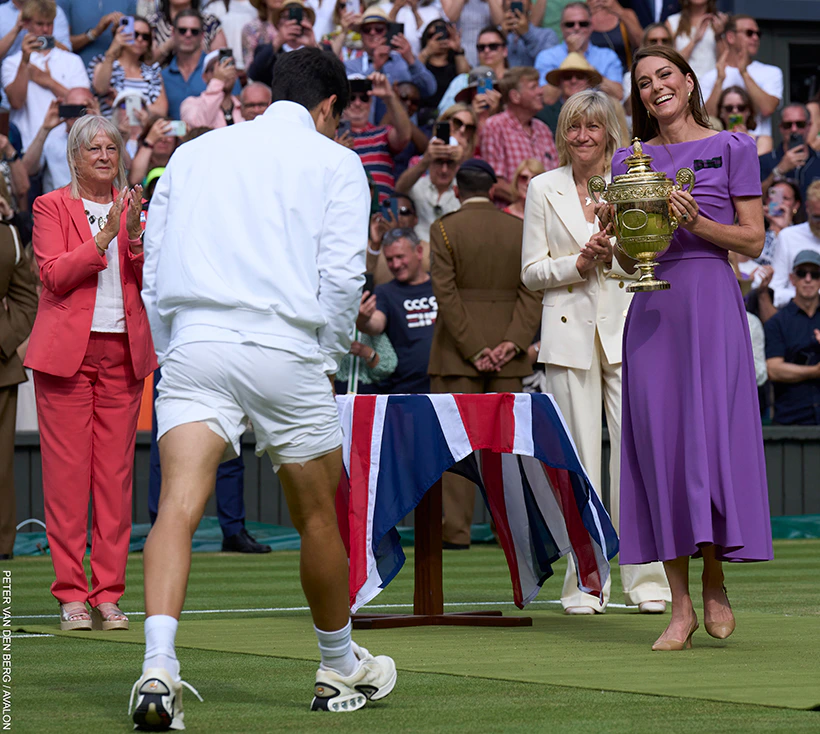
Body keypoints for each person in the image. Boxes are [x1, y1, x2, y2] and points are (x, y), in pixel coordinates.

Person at [130, 48, 396, 727]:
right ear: (330, 108)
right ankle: (337, 665)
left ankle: (158, 665)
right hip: (285, 348)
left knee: (176, 510)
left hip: (195, 343)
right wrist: (327, 355)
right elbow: (340, 279)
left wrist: (173, 348)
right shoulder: (338, 162)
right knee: (315, 516)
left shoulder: (192, 153)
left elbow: (153, 262)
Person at [607, 46, 772, 651]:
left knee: (711, 446)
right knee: (660, 451)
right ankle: (677, 606)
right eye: (644, 83)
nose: (655, 89)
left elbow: (752, 241)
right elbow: (630, 255)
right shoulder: (629, 159)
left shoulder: (732, 147)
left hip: (711, 305)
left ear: (689, 79)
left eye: (664, 76)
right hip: (652, 311)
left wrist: (695, 221)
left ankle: (714, 579)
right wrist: (615, 241)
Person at [521, 89, 670, 615]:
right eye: (573, 127)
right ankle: (585, 581)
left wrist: (617, 256)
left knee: (637, 460)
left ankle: (648, 581)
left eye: (592, 126)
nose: (582, 136)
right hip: (567, 339)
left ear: (610, 130)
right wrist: (577, 264)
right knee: (578, 464)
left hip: (629, 336)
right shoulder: (543, 187)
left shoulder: (633, 181)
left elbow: (649, 261)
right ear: (563, 134)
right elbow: (531, 272)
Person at [25, 115, 156, 631]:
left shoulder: (134, 206)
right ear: (75, 157)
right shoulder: (50, 205)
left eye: (111, 147)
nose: (104, 155)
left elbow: (152, 278)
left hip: (123, 352)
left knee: (114, 481)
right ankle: (70, 595)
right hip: (66, 358)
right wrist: (103, 238)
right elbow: (54, 274)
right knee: (65, 480)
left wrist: (136, 240)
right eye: (92, 148)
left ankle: (107, 595)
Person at [428, 158, 541, 548]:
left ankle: (456, 530)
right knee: (505, 448)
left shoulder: (443, 228)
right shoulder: (520, 229)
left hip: (457, 355)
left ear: (457, 190)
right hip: (509, 355)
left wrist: (475, 349)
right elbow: (532, 290)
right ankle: (508, 529)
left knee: (456, 446)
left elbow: (445, 295)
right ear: (494, 190)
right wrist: (511, 342)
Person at [0, 187, 39, 562]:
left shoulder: (9, 236)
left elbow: (28, 297)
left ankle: (1, 546)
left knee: (1, 464)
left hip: (0, 364)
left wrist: (3, 341)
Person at [1, 0, 90, 151]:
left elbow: (84, 105)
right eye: (39, 24)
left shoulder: (72, 60)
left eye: (49, 24)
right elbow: (16, 102)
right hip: (27, 147)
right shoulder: (12, 62)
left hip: (67, 147)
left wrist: (48, 81)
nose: (45, 30)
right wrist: (24, 62)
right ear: (27, 24)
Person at [357, 228, 438, 394]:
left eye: (400, 257)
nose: (395, 265)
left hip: (445, 384)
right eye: (389, 259)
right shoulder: (386, 292)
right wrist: (364, 320)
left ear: (419, 252)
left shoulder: (441, 286)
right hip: (405, 389)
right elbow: (376, 324)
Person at [700, 15, 781, 155]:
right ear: (731, 37)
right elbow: (706, 119)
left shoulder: (771, 72)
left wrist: (744, 73)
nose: (755, 38)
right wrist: (719, 81)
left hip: (759, 151)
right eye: (749, 33)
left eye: (758, 34)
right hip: (720, 151)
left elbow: (768, 108)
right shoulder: (710, 77)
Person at [479, 66, 557, 204]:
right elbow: (495, 183)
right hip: (510, 218)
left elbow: (557, 177)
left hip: (546, 215)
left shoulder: (543, 129)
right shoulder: (495, 127)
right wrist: (533, 206)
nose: (541, 91)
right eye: (533, 87)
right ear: (515, 96)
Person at [343, 6, 436, 113]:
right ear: (361, 35)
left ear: (387, 32)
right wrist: (375, 67)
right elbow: (353, 98)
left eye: (379, 29)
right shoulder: (350, 65)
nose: (373, 33)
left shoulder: (403, 60)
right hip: (371, 127)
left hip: (403, 128)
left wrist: (411, 61)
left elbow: (429, 90)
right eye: (367, 30)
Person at [764, 250, 820, 425]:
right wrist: (815, 371)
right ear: (792, 278)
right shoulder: (777, 323)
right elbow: (773, 369)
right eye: (802, 273)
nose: (808, 279)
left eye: (815, 274)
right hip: (791, 419)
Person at [535, 3, 623, 105]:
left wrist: (579, 56)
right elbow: (548, 98)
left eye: (583, 24)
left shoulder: (607, 56)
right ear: (562, 27)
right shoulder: (547, 56)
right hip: (559, 116)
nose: (576, 28)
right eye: (570, 24)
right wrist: (572, 55)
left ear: (591, 26)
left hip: (598, 115)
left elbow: (618, 95)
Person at [343, 71, 411, 202]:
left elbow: (405, 136)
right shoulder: (329, 138)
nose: (357, 103)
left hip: (381, 216)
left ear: (370, 102)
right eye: (351, 98)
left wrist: (389, 96)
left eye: (364, 98)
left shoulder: (382, 133)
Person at [89, 15, 169, 118]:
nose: (140, 39)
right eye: (135, 34)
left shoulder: (152, 73)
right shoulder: (103, 63)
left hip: (143, 133)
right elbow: (100, 88)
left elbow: (161, 111)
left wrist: (123, 101)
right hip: (110, 131)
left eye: (145, 37)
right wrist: (112, 51)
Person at [22, 89, 98, 194]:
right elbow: (26, 171)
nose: (76, 114)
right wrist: (45, 129)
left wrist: (98, 122)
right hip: (57, 205)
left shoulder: (105, 143)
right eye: (71, 108)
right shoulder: (51, 141)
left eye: (81, 109)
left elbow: (125, 168)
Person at [395, 121, 461, 241]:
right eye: (439, 162)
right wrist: (425, 159)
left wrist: (463, 158)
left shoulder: (464, 190)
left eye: (450, 163)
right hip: (420, 252)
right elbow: (399, 189)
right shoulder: (417, 186)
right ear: (430, 162)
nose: (444, 170)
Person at [770, 181, 820, 308]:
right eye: (817, 217)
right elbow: (775, 290)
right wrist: (807, 296)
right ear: (807, 208)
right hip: (796, 315)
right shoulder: (788, 237)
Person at [759, 103, 820, 205]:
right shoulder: (764, 161)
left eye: (800, 124)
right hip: (774, 219)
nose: (794, 129)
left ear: (809, 126)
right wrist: (778, 171)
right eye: (788, 125)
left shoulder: (818, 161)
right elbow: (754, 201)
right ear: (780, 128)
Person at [437, 26, 506, 114]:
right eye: (481, 47)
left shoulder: (514, 80)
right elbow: (444, 115)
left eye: (493, 46)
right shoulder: (461, 81)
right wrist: (470, 112)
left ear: (505, 50)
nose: (487, 50)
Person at [367, 193, 431, 284]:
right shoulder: (373, 248)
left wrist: (398, 237)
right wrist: (375, 245)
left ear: (415, 219)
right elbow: (364, 280)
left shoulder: (428, 249)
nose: (398, 216)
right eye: (392, 211)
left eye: (404, 211)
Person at [536, 51, 602, 134]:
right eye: (567, 77)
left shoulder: (601, 112)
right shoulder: (544, 115)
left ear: (588, 82)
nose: (573, 81)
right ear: (559, 82)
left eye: (579, 77)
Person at [56, 0, 135, 65]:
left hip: (118, 76)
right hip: (77, 75)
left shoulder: (130, 1)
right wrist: (95, 32)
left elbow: (137, 44)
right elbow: (59, 46)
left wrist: (117, 32)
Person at [148, 0, 227, 64]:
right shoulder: (153, 23)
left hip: (202, 80)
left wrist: (199, 48)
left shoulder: (210, 22)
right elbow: (142, 63)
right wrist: (168, 45)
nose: (188, 34)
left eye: (194, 31)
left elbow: (225, 62)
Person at [664, 0, 724, 82]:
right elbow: (671, 63)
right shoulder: (672, 22)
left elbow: (726, 61)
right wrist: (694, 41)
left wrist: (719, 36)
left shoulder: (721, 20)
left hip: (713, 83)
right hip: (685, 83)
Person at [181, 48, 243, 127]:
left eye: (227, 66)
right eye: (215, 69)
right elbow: (201, 126)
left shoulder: (244, 106)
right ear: (204, 77)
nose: (222, 72)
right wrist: (218, 81)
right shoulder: (190, 104)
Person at [417, 19, 470, 112]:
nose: (439, 39)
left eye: (445, 35)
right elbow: (413, 73)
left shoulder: (456, 63)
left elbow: (465, 76)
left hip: (451, 113)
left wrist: (458, 50)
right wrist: (427, 52)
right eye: (432, 35)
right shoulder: (422, 61)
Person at [488, 0, 558, 68]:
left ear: (531, 6)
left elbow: (549, 63)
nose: (515, 0)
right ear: (502, 6)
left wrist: (527, 34)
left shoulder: (547, 35)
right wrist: (501, 37)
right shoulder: (491, 36)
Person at [0, 0, 71, 59]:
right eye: (40, 24)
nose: (45, 28)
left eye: (49, 24)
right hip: (12, 70)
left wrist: (44, 36)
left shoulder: (54, 11)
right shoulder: (1, 12)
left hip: (52, 67)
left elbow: (67, 54)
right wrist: (17, 28)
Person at [588, 0, 643, 72]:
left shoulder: (626, 14)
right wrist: (584, 14)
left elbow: (642, 45)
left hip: (624, 75)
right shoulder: (581, 16)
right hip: (589, 74)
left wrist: (621, 13)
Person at [128, 114, 182, 186]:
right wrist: (149, 142)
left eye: (168, 134)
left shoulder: (180, 162)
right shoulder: (140, 163)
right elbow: (134, 179)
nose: (163, 139)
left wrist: (186, 140)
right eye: (159, 135)